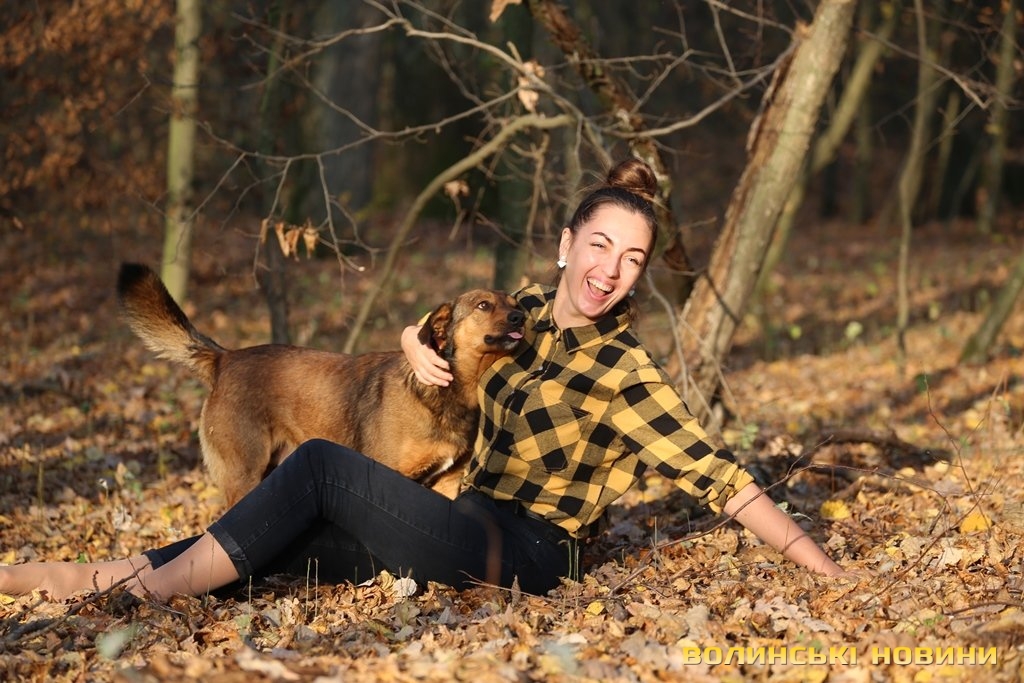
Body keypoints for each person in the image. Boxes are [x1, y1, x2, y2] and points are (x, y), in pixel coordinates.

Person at [0, 159, 847, 603]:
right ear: (566, 246)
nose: (611, 269)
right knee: (272, 548)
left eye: (631, 259)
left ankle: (147, 590)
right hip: (455, 519)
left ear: (639, 275)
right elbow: (436, 330)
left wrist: (822, 565)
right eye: (600, 246)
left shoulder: (626, 368)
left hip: (526, 554)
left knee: (320, 467)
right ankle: (80, 578)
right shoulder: (517, 313)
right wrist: (410, 337)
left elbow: (720, 476)